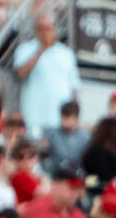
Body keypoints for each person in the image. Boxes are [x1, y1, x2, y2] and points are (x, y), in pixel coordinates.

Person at [15, 7, 81, 136]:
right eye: (41, 29)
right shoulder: (25, 49)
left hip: (59, 120)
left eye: (48, 28)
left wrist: (74, 117)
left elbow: (74, 88)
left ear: (55, 29)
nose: (45, 33)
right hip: (34, 117)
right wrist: (41, 51)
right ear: (35, 30)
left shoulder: (66, 54)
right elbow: (21, 74)